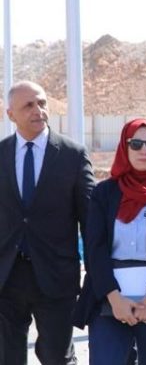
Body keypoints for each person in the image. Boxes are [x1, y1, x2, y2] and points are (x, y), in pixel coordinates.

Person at [72, 118, 146, 364]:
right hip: (109, 298)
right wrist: (115, 299)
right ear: (124, 147)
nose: (144, 150)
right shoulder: (105, 192)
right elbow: (95, 248)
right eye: (136, 144)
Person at [0, 80, 95, 364]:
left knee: (57, 357)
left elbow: (89, 219)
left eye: (42, 103)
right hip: (6, 277)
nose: (38, 110)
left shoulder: (72, 155)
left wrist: (94, 274)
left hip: (56, 277)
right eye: (28, 105)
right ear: (11, 114)